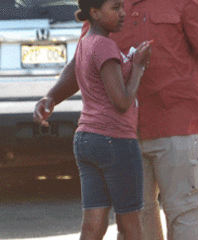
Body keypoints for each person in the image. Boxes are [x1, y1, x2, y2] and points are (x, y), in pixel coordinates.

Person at [34, 0, 198, 239]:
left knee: (183, 210)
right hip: (124, 135)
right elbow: (83, 58)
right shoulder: (107, 5)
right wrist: (52, 97)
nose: (120, 13)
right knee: (136, 217)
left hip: (177, 125)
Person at [37, 0, 151, 239]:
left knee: (92, 225)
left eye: (122, 7)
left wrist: (51, 98)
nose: (122, 13)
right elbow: (121, 101)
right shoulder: (105, 46)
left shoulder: (86, 43)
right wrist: (138, 66)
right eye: (115, 8)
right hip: (115, 141)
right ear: (95, 13)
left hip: (86, 140)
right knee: (131, 224)